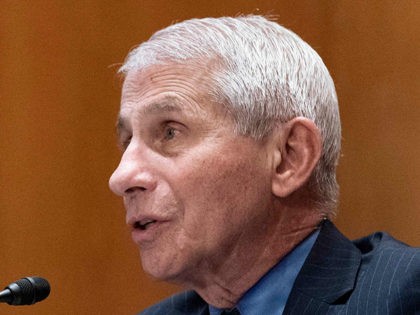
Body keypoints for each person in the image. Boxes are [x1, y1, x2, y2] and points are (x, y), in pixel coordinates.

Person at [108, 15, 420, 315]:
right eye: (127, 141)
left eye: (170, 132)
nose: (121, 177)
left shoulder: (405, 296)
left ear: (289, 157)